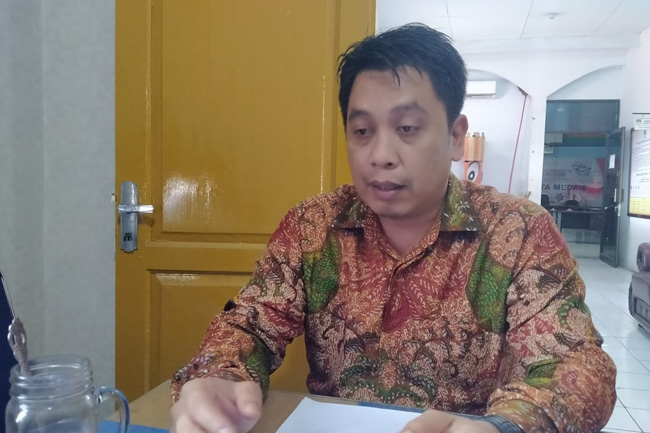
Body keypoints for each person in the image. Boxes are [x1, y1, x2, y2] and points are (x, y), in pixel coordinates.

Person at [170, 24, 616, 433]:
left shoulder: (519, 232)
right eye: (362, 131)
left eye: (406, 128)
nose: (380, 155)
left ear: (455, 136)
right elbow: (249, 325)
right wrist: (220, 375)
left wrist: (505, 427)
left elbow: (577, 365)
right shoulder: (312, 227)